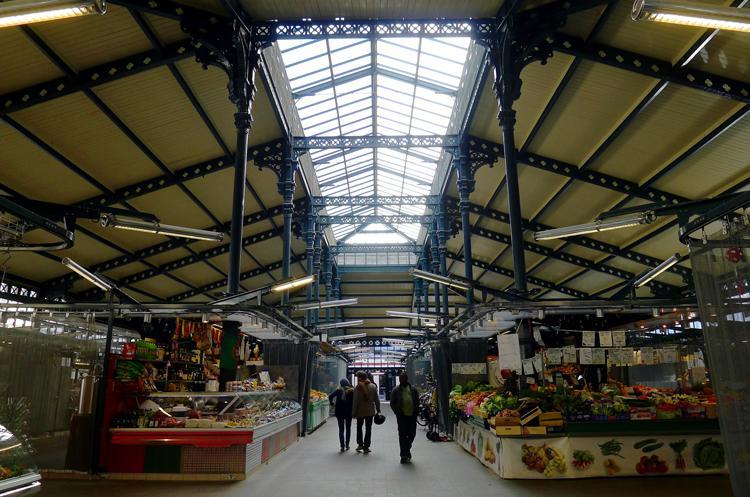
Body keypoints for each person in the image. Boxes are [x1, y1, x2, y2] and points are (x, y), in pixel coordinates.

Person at [390, 372, 420, 464]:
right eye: (400, 378)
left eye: (403, 378)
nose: (401, 380)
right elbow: (392, 403)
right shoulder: (396, 390)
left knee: (412, 433)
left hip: (412, 415)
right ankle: (404, 455)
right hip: (401, 416)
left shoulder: (413, 389)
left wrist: (416, 411)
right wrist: (397, 412)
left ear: (406, 379)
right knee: (402, 435)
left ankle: (406, 449)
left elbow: (417, 401)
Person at [352, 370, 380, 453]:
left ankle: (360, 444)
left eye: (357, 377)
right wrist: (378, 410)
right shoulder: (373, 386)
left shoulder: (358, 387)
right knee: (368, 428)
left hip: (360, 412)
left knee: (359, 427)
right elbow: (377, 400)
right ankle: (366, 446)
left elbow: (355, 401)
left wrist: (353, 412)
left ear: (360, 377)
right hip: (370, 411)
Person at [328, 379, 354, 451]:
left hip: (339, 413)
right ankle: (347, 445)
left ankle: (342, 446)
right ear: (348, 383)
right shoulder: (352, 391)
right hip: (349, 412)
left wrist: (332, 403)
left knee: (341, 429)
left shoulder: (338, 391)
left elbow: (330, 396)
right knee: (348, 428)